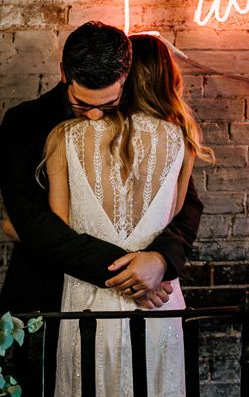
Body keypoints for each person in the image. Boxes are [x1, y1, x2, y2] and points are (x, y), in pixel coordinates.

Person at [0, 22, 203, 393]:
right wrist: (131, 277)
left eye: (108, 105)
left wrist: (159, 261)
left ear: (124, 79)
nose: (94, 116)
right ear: (64, 74)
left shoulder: (150, 130)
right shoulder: (23, 124)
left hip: (150, 295)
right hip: (48, 297)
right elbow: (36, 224)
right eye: (81, 105)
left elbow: (187, 209)